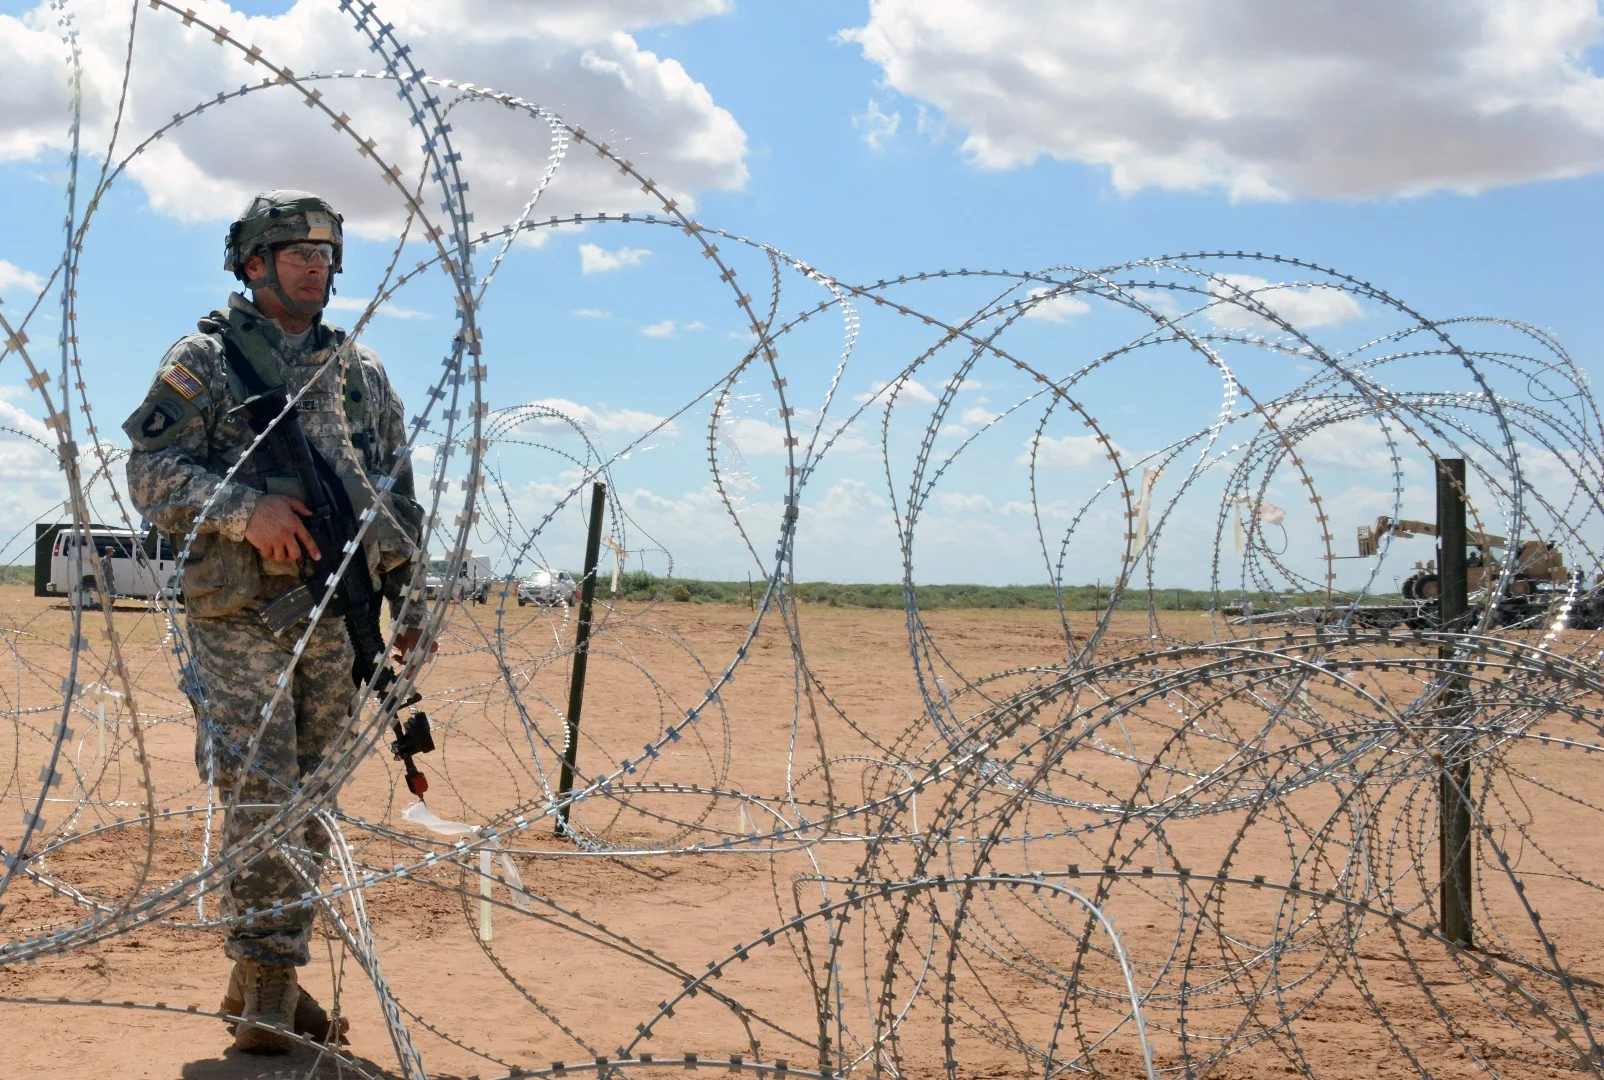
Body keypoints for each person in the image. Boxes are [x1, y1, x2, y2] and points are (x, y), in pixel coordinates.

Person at [122, 190, 425, 1054]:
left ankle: (265, 975)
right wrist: (242, 508)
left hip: (339, 613)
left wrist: (411, 600)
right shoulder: (207, 362)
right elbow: (149, 470)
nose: (317, 266)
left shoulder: (358, 372)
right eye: (297, 253)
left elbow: (396, 492)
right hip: (243, 613)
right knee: (262, 796)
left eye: (327, 254)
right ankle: (270, 984)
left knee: (312, 802)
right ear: (253, 264)